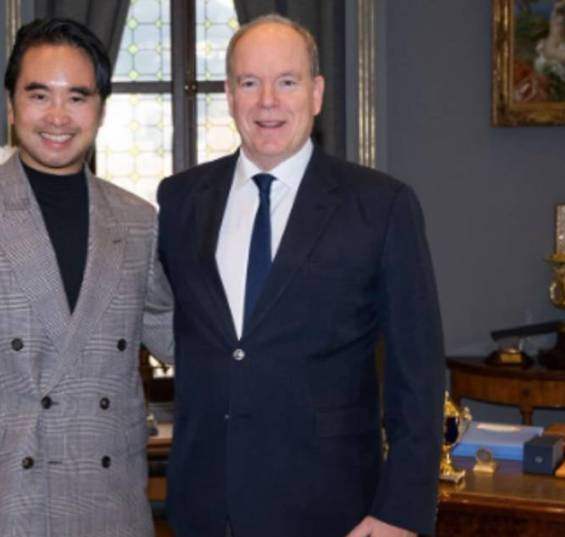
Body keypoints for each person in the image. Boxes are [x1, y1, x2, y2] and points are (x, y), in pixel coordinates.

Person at [156, 15, 444, 537]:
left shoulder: (381, 206)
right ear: (230, 95)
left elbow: (417, 373)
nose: (267, 101)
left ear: (316, 94)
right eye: (250, 82)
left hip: (333, 510)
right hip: (205, 506)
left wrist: (401, 510)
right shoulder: (179, 200)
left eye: (287, 82)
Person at [0, 18, 173, 537]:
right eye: (39, 95)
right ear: (11, 106)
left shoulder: (137, 220)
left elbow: (180, 335)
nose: (57, 116)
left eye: (77, 97)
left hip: (111, 507)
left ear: (100, 110)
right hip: (0, 505)